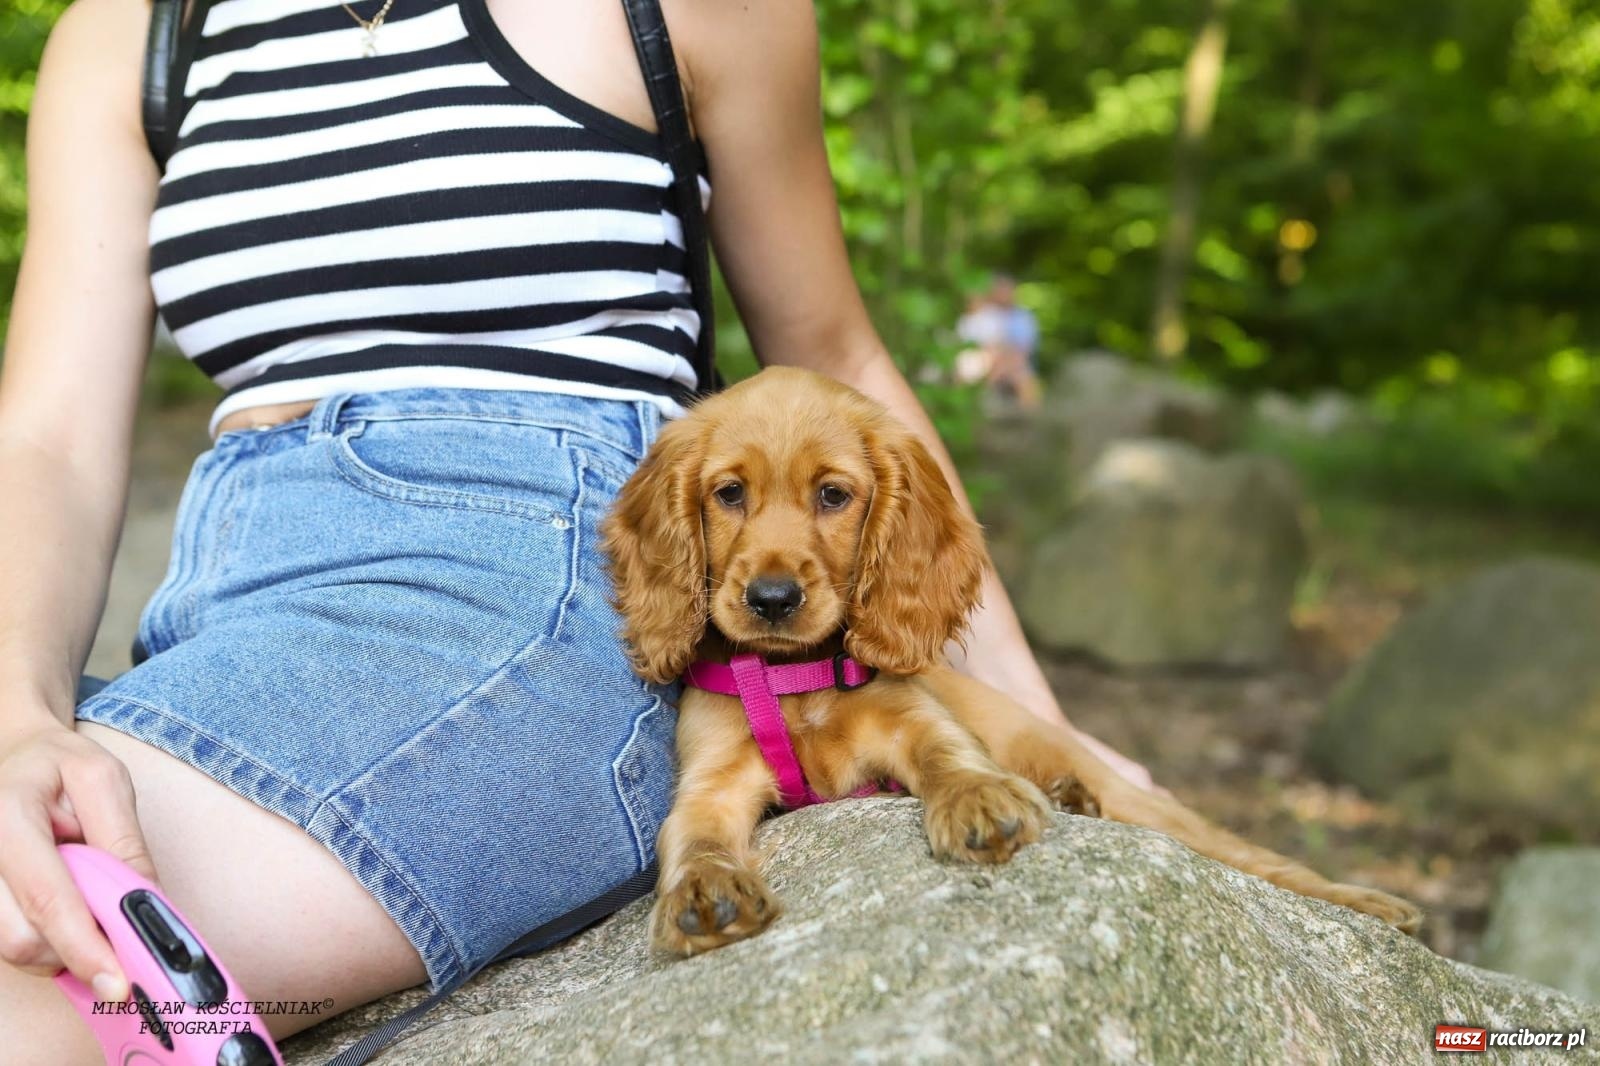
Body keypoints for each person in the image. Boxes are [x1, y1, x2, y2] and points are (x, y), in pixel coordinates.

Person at [0, 0, 1157, 1058]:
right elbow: (45, 440)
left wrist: (1044, 731)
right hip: (225, 616)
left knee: (37, 965)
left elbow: (837, 359)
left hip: (535, 583)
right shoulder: (133, 32)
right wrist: (15, 713)